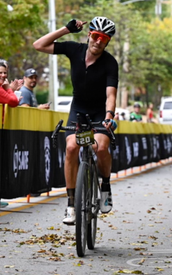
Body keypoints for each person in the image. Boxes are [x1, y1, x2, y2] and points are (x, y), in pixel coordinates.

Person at [33, 16, 118, 224]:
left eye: (104, 39)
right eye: (96, 36)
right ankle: (71, 204)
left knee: (100, 147)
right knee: (71, 148)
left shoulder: (110, 63)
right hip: (79, 110)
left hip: (100, 113)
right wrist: (66, 30)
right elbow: (39, 45)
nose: (99, 41)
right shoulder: (74, 50)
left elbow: (111, 95)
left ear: (107, 42)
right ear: (89, 34)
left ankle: (105, 185)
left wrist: (109, 116)